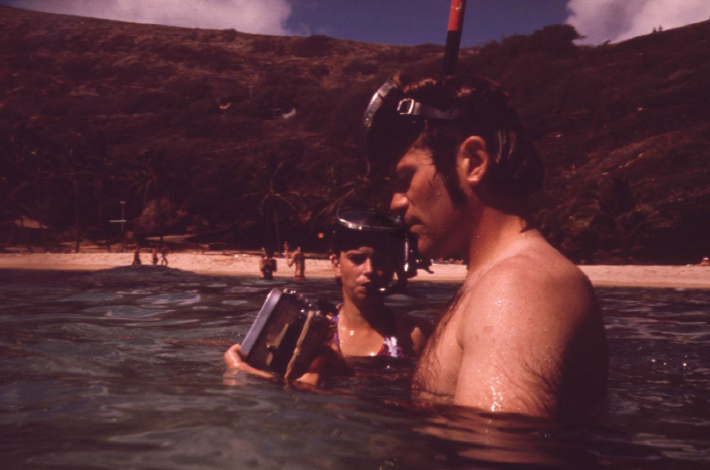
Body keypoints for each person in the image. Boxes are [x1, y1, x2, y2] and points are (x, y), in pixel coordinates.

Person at [361, 73, 608, 421]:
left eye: (405, 179)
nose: (396, 203)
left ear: (473, 161)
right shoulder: (494, 280)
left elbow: (495, 454)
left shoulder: (519, 286)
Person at [224, 211, 432, 381]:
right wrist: (239, 369)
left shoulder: (416, 335)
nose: (369, 270)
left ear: (391, 267)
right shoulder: (310, 334)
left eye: (380, 261)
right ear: (336, 265)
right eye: (357, 259)